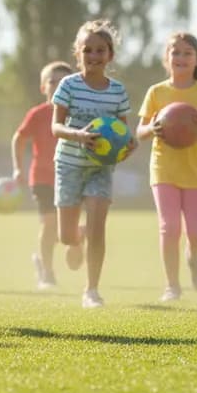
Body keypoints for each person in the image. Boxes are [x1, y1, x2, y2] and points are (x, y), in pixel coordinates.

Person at [135, 33, 197, 302]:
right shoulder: (156, 92)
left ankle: (194, 255)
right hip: (163, 169)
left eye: (187, 53)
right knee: (170, 227)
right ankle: (172, 286)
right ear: (167, 59)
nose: (181, 57)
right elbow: (139, 131)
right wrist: (151, 128)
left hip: (195, 172)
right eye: (175, 52)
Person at [51, 19, 137, 309]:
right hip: (69, 164)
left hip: (101, 169)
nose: (94, 56)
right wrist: (78, 135)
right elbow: (56, 127)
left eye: (100, 50)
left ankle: (91, 290)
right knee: (65, 236)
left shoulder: (117, 91)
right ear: (78, 53)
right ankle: (76, 240)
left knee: (98, 226)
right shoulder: (68, 85)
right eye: (87, 50)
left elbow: (125, 133)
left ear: (110, 55)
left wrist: (129, 146)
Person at [12, 61, 74, 290]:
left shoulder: (76, 114)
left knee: (66, 229)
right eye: (52, 81)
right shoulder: (37, 114)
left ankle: (48, 258)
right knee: (49, 224)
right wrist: (18, 168)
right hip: (42, 178)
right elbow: (18, 139)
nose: (57, 86)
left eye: (64, 82)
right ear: (43, 87)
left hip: (71, 178)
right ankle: (47, 272)